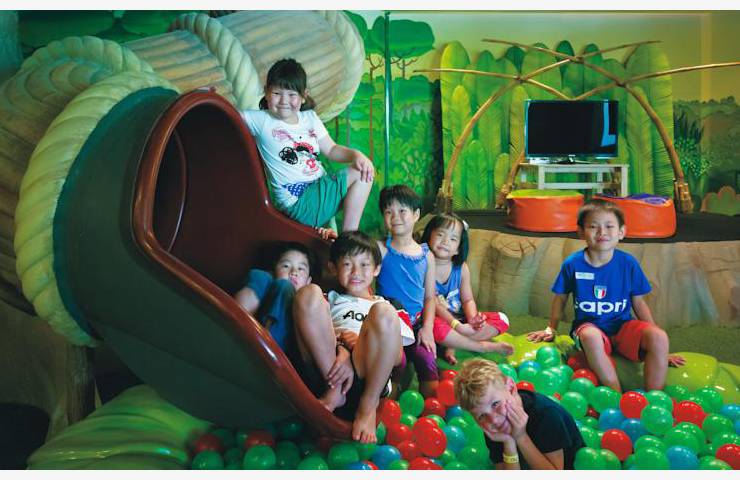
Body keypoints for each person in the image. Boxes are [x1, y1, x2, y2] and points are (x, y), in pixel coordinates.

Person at [527, 198, 685, 392]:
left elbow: (638, 302)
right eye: (593, 226)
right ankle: (615, 394)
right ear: (581, 231)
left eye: (609, 226)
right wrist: (551, 328)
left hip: (622, 328)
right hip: (589, 329)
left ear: (621, 232)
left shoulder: (628, 263)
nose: (602, 232)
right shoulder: (573, 264)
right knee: (591, 336)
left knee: (659, 337)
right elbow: (560, 298)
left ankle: (655, 397)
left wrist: (660, 349)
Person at [291, 231, 414, 443]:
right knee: (307, 293)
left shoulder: (390, 305)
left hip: (369, 375)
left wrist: (356, 345)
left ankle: (368, 406)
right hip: (328, 370)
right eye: (347, 264)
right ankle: (336, 389)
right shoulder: (329, 299)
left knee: (383, 312)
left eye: (364, 264)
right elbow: (312, 330)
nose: (356, 272)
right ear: (333, 268)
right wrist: (342, 346)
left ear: (376, 269)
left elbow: (397, 357)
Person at [240, 58, 373, 237]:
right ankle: (349, 238)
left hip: (318, 191)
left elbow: (331, 150)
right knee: (360, 173)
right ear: (266, 92)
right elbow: (225, 114)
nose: (284, 100)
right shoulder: (261, 120)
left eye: (292, 95)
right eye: (277, 93)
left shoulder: (309, 118)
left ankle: (345, 239)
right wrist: (210, 96)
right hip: (298, 203)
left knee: (363, 169)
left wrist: (356, 155)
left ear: (303, 96)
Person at [454, 358, 584, 470]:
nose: (493, 420)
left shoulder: (546, 414)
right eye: (481, 416)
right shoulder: (493, 425)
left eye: (496, 404)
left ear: (511, 388)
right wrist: (508, 442)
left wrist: (521, 436)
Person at [420, 213, 514, 364]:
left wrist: (473, 320)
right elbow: (433, 305)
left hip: (461, 320)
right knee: (435, 328)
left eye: (453, 239)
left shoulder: (461, 269)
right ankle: (483, 347)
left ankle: (453, 343)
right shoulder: (422, 267)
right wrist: (458, 326)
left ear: (458, 249)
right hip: (440, 321)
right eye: (440, 234)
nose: (445, 241)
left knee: (502, 319)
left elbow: (467, 300)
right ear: (429, 236)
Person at [375, 185, 438, 398]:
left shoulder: (427, 256)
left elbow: (430, 298)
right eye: (388, 211)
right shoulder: (380, 250)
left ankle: (431, 411)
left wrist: (427, 328)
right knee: (396, 362)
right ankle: (387, 405)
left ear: (416, 214)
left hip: (417, 325)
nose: (395, 217)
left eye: (402, 211)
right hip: (389, 326)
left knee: (427, 359)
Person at [234, 242, 315, 350]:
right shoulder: (265, 279)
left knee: (284, 286)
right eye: (286, 266)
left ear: (308, 281)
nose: (293, 272)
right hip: (247, 330)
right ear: (274, 271)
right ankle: (233, 325)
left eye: (301, 269)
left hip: (279, 351)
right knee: (260, 276)